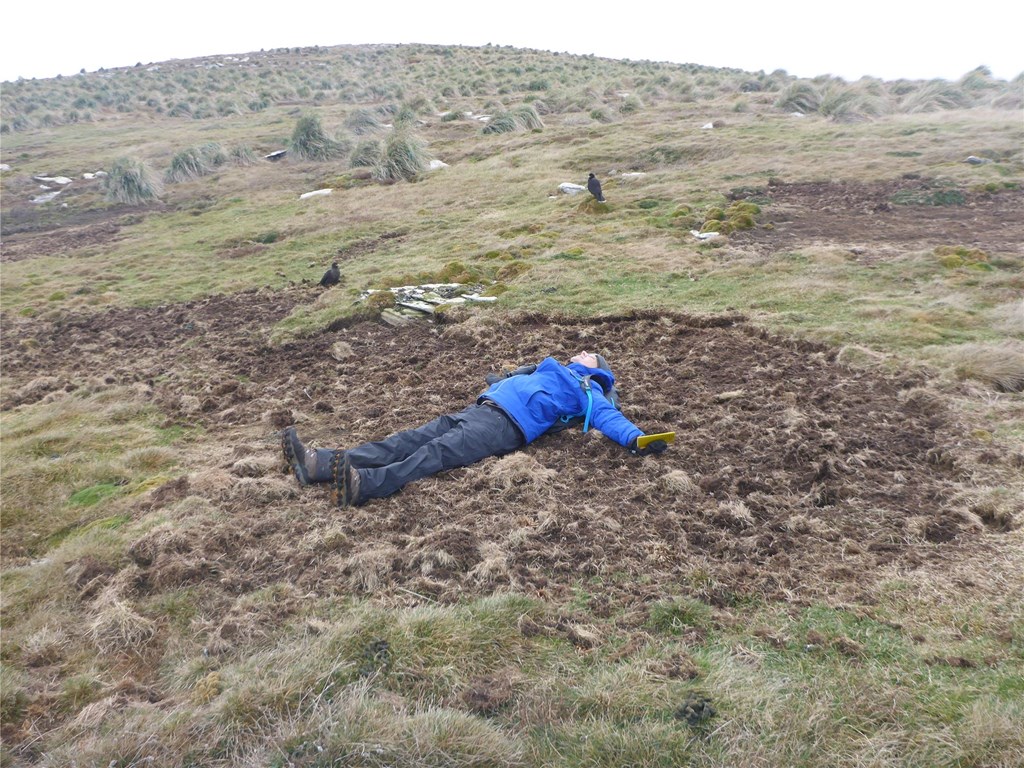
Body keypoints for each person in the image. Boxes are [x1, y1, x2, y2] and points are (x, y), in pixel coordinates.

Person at [280, 351, 668, 507]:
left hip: (504, 426)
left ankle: (362, 484)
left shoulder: (588, 387)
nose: (580, 351)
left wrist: (637, 439)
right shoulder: (553, 369)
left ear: (595, 366)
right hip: (482, 408)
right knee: (408, 439)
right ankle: (319, 464)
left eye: (588, 352)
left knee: (433, 454)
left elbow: (608, 417)